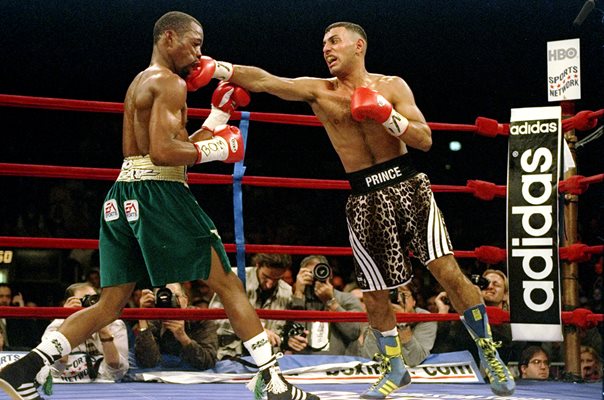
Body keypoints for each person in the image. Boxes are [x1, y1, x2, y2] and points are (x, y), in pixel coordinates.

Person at [0, 11, 318, 400]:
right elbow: (166, 153)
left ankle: (25, 367)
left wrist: (217, 119)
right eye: (195, 43)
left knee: (110, 303)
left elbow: (164, 147)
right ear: (169, 37)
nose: (200, 53)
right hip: (160, 195)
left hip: (124, 195)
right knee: (228, 283)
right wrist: (221, 147)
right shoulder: (169, 82)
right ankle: (271, 379)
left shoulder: (142, 81)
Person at [190, 21, 515, 397]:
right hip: (364, 197)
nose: (327, 49)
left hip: (408, 186)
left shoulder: (392, 86)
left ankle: (490, 355)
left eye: (334, 41)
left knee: (449, 273)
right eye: (323, 44)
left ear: (358, 46)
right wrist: (220, 69)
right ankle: (394, 367)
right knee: (375, 291)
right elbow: (266, 80)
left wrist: (386, 116)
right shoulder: (319, 91)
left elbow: (424, 139)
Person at [208, 253, 293, 360]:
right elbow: (215, 320)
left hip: (268, 358)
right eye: (266, 277)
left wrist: (290, 340)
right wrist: (255, 331)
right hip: (229, 355)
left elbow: (283, 331)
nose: (269, 284)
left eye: (277, 279)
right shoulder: (233, 278)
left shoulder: (287, 292)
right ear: (257, 265)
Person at [43, 282, 129, 382]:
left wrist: (102, 328)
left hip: (103, 385)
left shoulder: (114, 324)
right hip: (64, 385)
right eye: (83, 300)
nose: (90, 304)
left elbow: (117, 372)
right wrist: (66, 319)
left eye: (94, 299)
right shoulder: (57, 326)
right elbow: (55, 370)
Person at [286, 255, 363, 355]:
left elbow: (354, 333)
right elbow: (295, 337)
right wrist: (298, 294)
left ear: (329, 273)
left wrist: (331, 302)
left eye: (319, 270)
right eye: (310, 273)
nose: (316, 276)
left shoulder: (347, 299)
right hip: (305, 364)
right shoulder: (295, 300)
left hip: (340, 365)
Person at [134, 282, 218, 370]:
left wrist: (184, 339)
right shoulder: (153, 319)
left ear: (185, 300)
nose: (169, 301)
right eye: (164, 297)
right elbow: (147, 363)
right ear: (155, 300)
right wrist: (142, 316)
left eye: (175, 296)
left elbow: (209, 362)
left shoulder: (200, 318)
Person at [359, 282, 436, 367]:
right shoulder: (377, 316)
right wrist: (378, 323)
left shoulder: (425, 318)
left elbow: (414, 360)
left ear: (414, 301)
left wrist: (401, 322)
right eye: (391, 295)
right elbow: (370, 358)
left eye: (403, 294)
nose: (398, 299)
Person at [0, 284, 43, 350]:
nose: (4, 300)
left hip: (14, 354)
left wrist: (22, 308)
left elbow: (34, 335)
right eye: (1, 296)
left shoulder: (14, 317)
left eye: (8, 296)